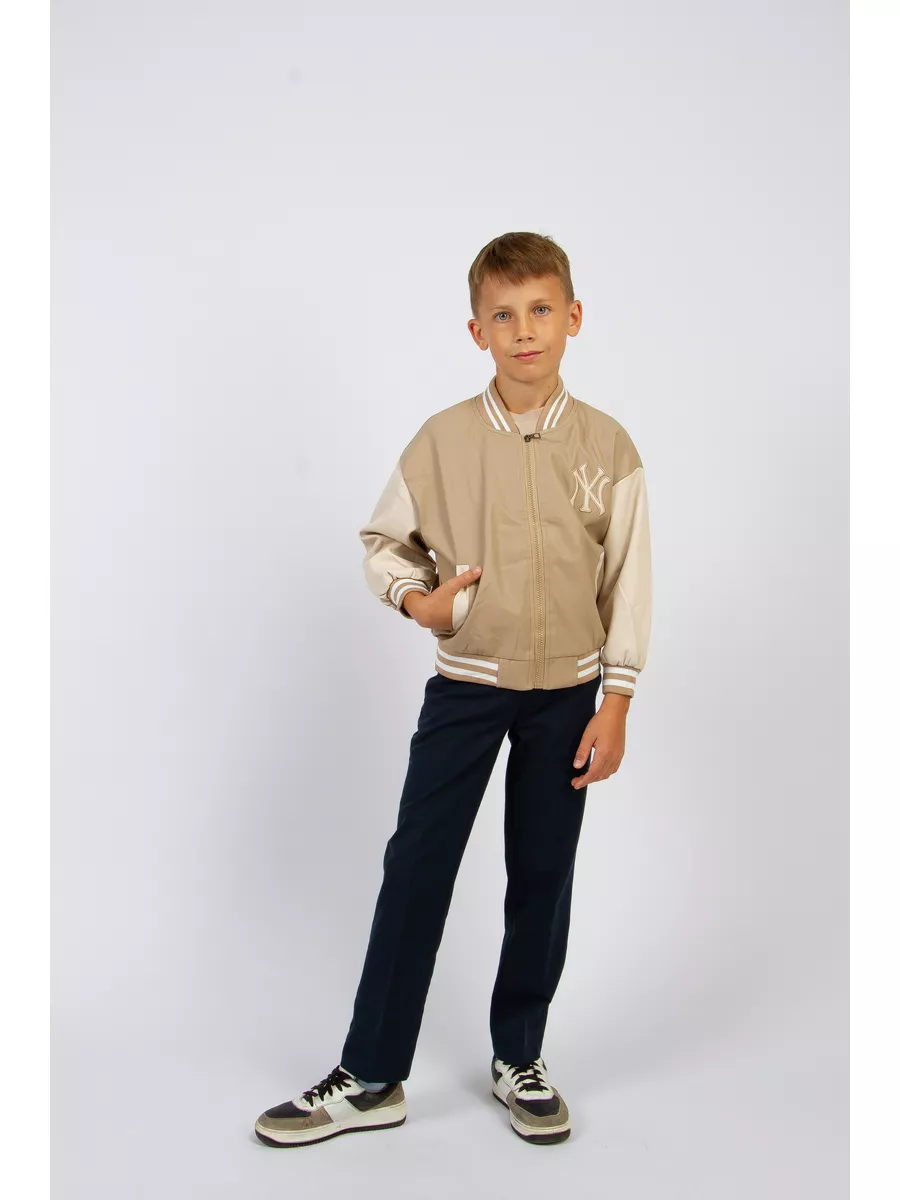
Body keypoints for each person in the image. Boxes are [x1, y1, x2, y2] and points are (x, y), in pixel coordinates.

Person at [254, 231, 652, 1148]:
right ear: (477, 331)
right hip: (468, 689)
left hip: (569, 695)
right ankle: (372, 1074)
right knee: (417, 868)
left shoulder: (609, 445)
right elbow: (383, 544)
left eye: (541, 310)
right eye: (503, 316)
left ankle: (520, 1056)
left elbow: (628, 576)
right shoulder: (442, 440)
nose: (525, 331)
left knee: (543, 875)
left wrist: (618, 700)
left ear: (573, 317)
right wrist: (419, 602)